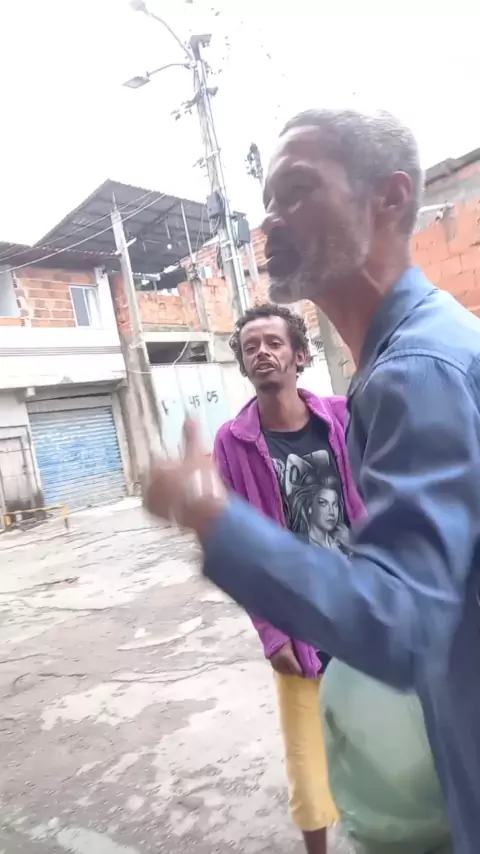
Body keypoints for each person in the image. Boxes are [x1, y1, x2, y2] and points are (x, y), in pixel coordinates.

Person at [144, 108, 480, 854]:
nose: (270, 221)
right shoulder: (409, 356)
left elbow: (403, 623)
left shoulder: (413, 372)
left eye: (296, 191)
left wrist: (211, 517)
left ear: (388, 198)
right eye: (267, 202)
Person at [213, 303, 363, 854]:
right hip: (300, 623)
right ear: (243, 363)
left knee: (392, 739)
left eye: (274, 343)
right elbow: (237, 545)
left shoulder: (340, 416)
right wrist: (271, 632)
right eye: (250, 346)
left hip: (364, 607)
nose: (262, 353)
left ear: (299, 355)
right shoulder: (232, 442)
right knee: (307, 761)